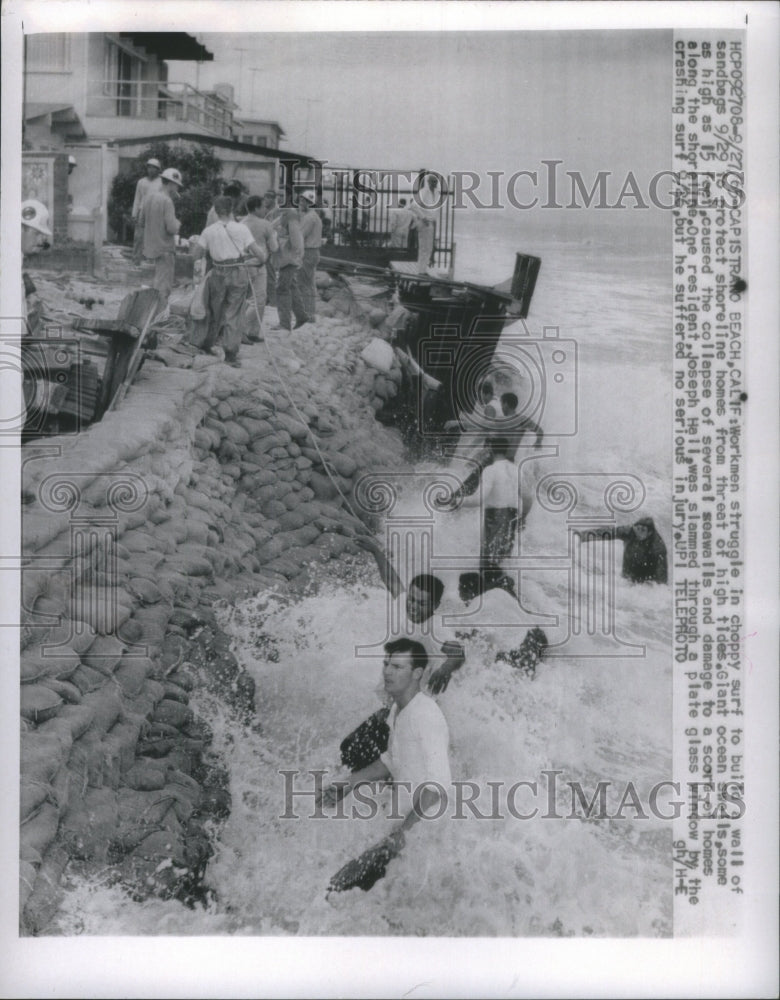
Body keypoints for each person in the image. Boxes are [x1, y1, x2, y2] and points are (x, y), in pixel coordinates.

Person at [318, 637, 451, 894]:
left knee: (336, 890)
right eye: (386, 664)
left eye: (397, 667)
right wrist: (347, 786)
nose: (388, 672)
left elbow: (439, 787)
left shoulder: (426, 715)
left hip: (421, 833)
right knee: (347, 895)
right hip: (401, 828)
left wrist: (402, 834)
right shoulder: (398, 712)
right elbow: (391, 761)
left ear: (417, 674)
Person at [190, 195, 267, 368]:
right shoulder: (241, 229)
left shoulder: (208, 231)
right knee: (234, 312)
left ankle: (207, 344)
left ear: (216, 212)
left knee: (215, 310)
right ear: (232, 210)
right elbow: (260, 255)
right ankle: (231, 354)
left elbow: (195, 255)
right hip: (238, 271)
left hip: (217, 272)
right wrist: (252, 260)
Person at [453, 571, 548, 679]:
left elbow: (460, 636)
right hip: (538, 637)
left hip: (520, 648)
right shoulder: (500, 592)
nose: (460, 597)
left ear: (468, 593)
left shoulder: (473, 609)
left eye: (460, 592)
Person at [574, 517, 668, 584]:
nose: (638, 532)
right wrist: (581, 536)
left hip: (646, 580)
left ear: (650, 533)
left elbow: (661, 581)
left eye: (643, 530)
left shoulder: (658, 548)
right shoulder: (629, 531)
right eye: (637, 528)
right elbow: (606, 533)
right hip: (627, 574)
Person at [138, 166, 183, 306]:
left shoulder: (149, 197)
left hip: (150, 249)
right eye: (177, 185)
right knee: (163, 288)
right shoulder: (167, 201)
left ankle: (151, 315)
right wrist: (178, 223)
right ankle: (158, 317)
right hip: (165, 249)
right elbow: (172, 228)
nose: (177, 189)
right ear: (171, 183)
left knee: (153, 286)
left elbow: (141, 221)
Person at [242, 194, 279, 340]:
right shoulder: (265, 225)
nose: (265, 209)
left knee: (242, 299)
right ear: (256, 208)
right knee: (259, 300)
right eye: (263, 206)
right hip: (258, 263)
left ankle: (248, 331)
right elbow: (274, 248)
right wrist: (275, 235)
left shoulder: (241, 222)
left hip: (242, 263)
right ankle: (245, 330)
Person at [271, 208, 305, 332]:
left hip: (289, 259)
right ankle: (301, 316)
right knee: (291, 286)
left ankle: (285, 323)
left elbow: (297, 240)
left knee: (282, 289)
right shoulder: (285, 214)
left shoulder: (291, 216)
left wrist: (297, 256)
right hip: (287, 257)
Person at [295, 190, 322, 326]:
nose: (300, 203)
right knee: (309, 284)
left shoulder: (309, 218)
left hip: (308, 252)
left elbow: (300, 235)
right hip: (313, 252)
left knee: (303, 284)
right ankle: (310, 314)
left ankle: (307, 314)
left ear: (307, 202)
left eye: (301, 201)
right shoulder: (312, 216)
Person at [131, 158, 162, 265]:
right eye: (149, 167)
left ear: (158, 170)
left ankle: (151, 262)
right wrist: (134, 214)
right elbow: (137, 198)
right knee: (139, 237)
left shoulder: (162, 182)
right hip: (142, 212)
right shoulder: (141, 182)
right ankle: (136, 261)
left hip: (155, 213)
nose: (151, 170)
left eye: (154, 168)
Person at [408, 173, 440, 273]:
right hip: (424, 222)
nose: (434, 183)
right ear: (428, 182)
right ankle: (421, 270)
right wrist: (423, 217)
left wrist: (433, 220)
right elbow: (413, 206)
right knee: (423, 247)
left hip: (431, 223)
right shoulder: (423, 192)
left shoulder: (436, 193)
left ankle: (423, 269)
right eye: (433, 181)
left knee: (429, 247)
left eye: (436, 181)